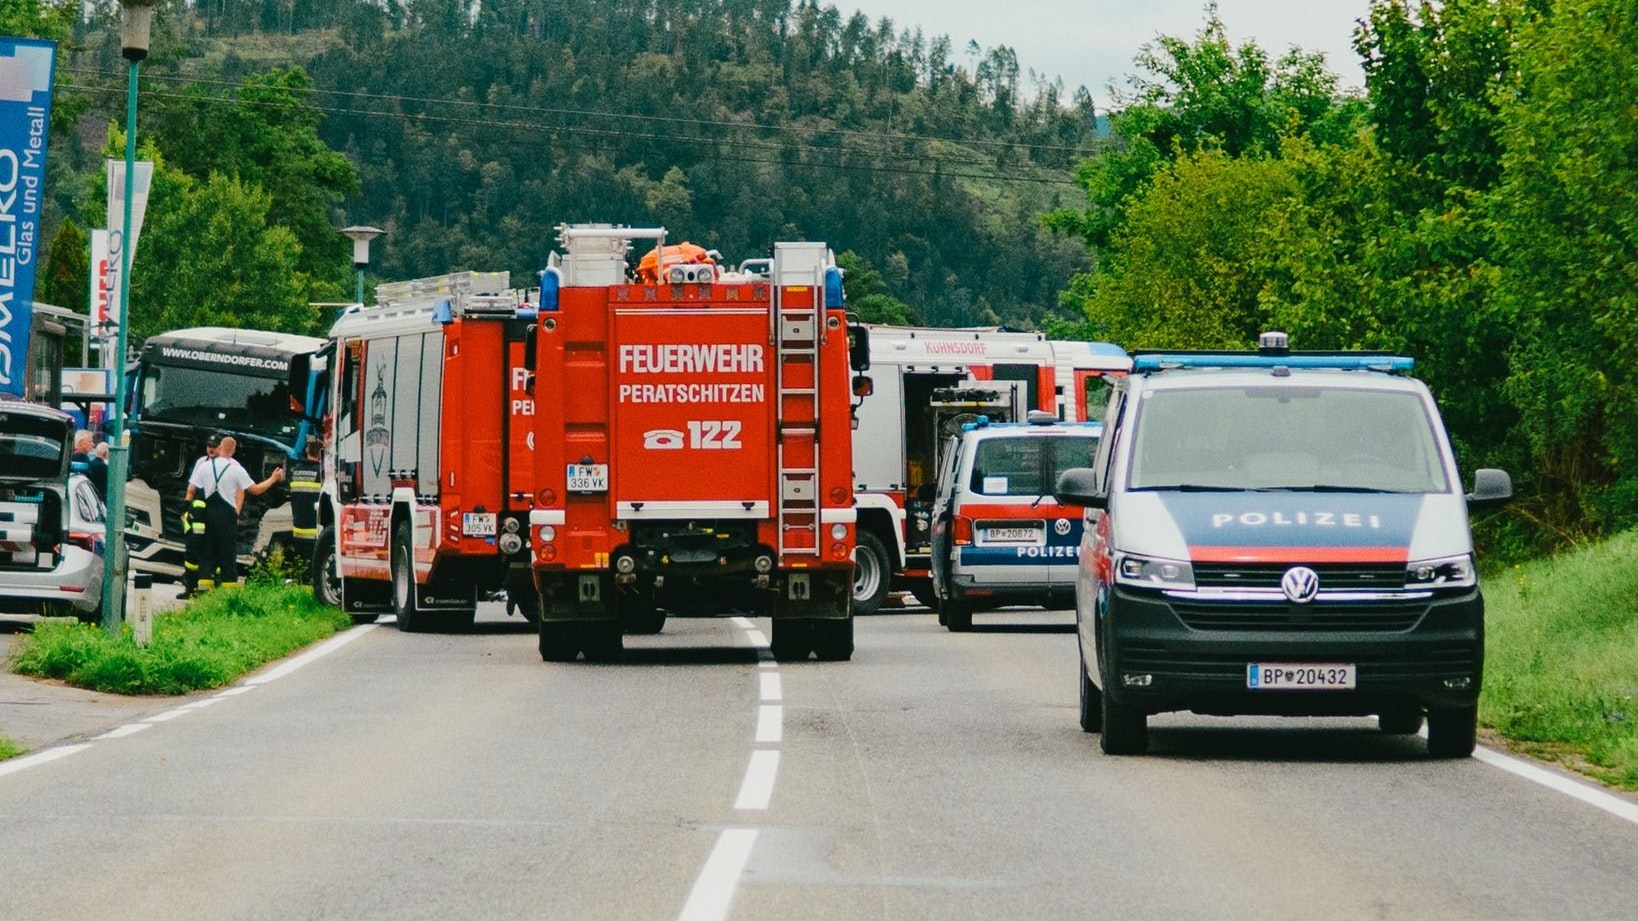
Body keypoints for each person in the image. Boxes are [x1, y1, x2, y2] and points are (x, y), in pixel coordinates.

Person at [186, 435, 283, 593]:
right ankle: (228, 593)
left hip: (207, 513)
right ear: (234, 450)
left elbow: (191, 489)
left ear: (220, 447)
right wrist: (273, 478)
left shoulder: (204, 466)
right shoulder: (237, 470)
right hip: (226, 515)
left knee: (207, 552)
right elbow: (256, 490)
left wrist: (188, 512)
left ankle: (203, 592)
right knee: (227, 554)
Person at [177, 433, 221, 599]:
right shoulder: (201, 463)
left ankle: (211, 590)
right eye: (209, 446)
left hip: (216, 514)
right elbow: (192, 486)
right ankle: (190, 587)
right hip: (198, 515)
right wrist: (186, 507)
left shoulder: (229, 464)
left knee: (213, 552)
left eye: (214, 446)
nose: (210, 449)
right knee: (192, 552)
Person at [287, 436, 324, 564]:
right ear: (322, 453)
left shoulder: (296, 471)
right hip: (316, 529)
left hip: (298, 527)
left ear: (307, 451)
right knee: (313, 563)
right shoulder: (322, 473)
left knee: (302, 563)